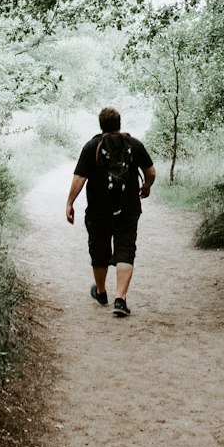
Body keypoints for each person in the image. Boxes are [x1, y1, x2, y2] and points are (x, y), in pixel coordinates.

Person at [65, 106, 156, 317]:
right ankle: (120, 300)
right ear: (119, 123)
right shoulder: (134, 144)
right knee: (125, 249)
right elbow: (150, 171)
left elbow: (79, 178)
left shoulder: (92, 146)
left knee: (99, 249)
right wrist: (147, 187)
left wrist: (70, 202)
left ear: (101, 124)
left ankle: (102, 292)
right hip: (128, 208)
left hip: (98, 210)